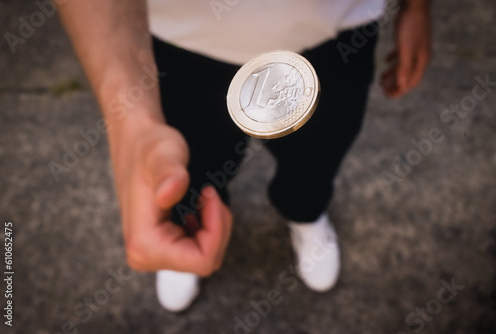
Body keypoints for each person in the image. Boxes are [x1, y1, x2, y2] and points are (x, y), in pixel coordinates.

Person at [57, 0, 431, 312]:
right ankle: (189, 225)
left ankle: (305, 212)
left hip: (336, 33)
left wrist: (417, 6)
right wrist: (132, 121)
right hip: (176, 38)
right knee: (186, 165)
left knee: (319, 154)